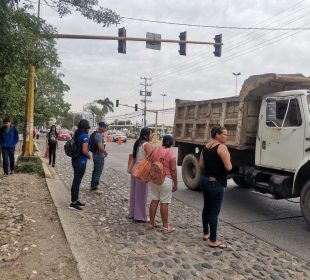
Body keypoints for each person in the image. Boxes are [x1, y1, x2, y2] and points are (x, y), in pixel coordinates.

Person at [199, 126, 232, 248]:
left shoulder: (206, 146)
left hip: (205, 180)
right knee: (214, 211)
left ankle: (205, 233)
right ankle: (213, 240)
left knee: (206, 207)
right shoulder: (222, 147)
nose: (226, 137)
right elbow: (228, 167)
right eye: (225, 134)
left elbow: (201, 164)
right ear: (217, 135)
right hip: (216, 182)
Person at [148, 135, 178, 233]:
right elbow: (173, 170)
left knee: (154, 200)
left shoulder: (155, 149)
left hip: (154, 178)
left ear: (163, 141)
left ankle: (151, 223)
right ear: (172, 143)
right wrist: (176, 183)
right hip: (166, 179)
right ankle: (165, 227)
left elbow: (151, 162)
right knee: (164, 202)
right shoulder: (171, 153)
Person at [129, 127, 153, 222]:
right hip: (142, 170)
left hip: (135, 168)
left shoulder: (138, 143)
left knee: (134, 193)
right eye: (151, 134)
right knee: (142, 194)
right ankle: (140, 216)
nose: (152, 136)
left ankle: (133, 213)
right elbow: (151, 158)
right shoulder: (147, 145)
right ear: (145, 135)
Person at [69, 119, 91, 211]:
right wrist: (89, 156)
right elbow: (84, 150)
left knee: (77, 181)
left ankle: (76, 200)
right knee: (76, 182)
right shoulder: (85, 136)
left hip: (75, 160)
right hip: (80, 161)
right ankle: (73, 203)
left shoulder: (76, 134)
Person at [90, 121, 108, 195]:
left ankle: (93, 185)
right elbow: (101, 148)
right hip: (99, 156)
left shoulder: (96, 134)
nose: (105, 128)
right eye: (104, 126)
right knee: (98, 172)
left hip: (95, 155)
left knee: (95, 171)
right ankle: (94, 187)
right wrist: (106, 153)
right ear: (100, 127)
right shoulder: (99, 135)